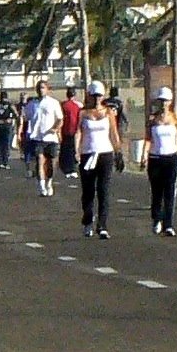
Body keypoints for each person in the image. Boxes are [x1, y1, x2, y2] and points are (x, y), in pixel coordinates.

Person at [76, 81, 123, 239]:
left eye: (99, 95)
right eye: (94, 95)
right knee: (88, 191)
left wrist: (118, 152)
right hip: (88, 153)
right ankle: (88, 220)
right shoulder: (83, 113)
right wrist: (77, 151)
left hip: (105, 154)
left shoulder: (109, 112)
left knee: (103, 190)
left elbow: (114, 133)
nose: (97, 98)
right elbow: (78, 133)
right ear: (89, 95)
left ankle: (102, 225)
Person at [140, 86, 177, 237]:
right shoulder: (152, 119)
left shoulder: (175, 118)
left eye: (166, 101)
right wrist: (144, 155)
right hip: (155, 158)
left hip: (171, 158)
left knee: (170, 191)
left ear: (170, 102)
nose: (163, 104)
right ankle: (156, 219)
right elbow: (148, 138)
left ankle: (169, 223)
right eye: (161, 101)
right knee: (157, 192)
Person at [30, 80, 63, 197]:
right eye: (39, 88)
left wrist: (55, 128)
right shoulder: (32, 103)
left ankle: (49, 182)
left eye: (43, 88)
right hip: (38, 138)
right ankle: (42, 186)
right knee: (40, 161)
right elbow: (26, 119)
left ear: (48, 89)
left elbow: (60, 119)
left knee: (51, 163)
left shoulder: (53, 103)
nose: (41, 90)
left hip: (51, 138)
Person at [0, 90, 19, 169]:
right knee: (3, 145)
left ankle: (1, 162)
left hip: (1, 126)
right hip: (5, 127)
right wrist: (11, 119)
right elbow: (16, 115)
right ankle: (3, 162)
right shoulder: (9, 105)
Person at [59, 87, 82, 178]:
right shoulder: (78, 105)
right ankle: (71, 168)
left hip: (65, 130)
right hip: (74, 130)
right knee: (73, 149)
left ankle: (66, 168)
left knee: (65, 149)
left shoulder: (63, 105)